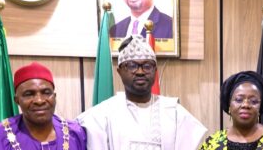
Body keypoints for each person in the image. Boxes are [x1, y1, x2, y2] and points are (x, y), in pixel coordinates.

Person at [77, 35, 207, 150]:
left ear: (155, 71)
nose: (140, 72)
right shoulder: (100, 116)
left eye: (147, 66)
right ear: (119, 71)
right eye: (132, 66)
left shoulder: (176, 113)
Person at [0, 62, 87, 150]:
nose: (39, 101)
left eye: (46, 92)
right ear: (17, 100)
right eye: (29, 94)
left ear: (54, 97)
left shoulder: (76, 133)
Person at [199, 71, 263, 150]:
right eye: (239, 100)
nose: (246, 105)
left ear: (260, 107)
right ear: (229, 106)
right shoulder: (212, 143)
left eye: (253, 101)